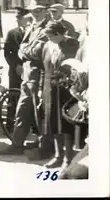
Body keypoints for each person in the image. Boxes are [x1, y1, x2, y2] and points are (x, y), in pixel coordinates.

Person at [0, 0, 52, 159]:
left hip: (38, 75)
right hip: (28, 74)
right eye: (34, 10)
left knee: (38, 112)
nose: (36, 13)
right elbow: (24, 50)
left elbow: (36, 51)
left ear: (45, 11)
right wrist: (25, 49)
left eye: (39, 10)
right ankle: (18, 144)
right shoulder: (33, 27)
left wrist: (24, 49)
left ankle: (43, 147)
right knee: (23, 110)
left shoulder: (47, 28)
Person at [41, 21, 79, 169]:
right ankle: (58, 155)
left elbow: (76, 66)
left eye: (51, 36)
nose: (49, 39)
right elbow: (44, 69)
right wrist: (41, 88)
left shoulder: (72, 44)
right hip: (51, 89)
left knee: (66, 123)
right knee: (53, 122)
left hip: (67, 89)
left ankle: (68, 159)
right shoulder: (47, 46)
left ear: (59, 34)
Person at [4, 7, 29, 89]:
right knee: (15, 96)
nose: (17, 20)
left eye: (20, 18)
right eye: (17, 18)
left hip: (30, 69)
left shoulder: (33, 32)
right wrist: (16, 65)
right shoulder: (12, 33)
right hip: (16, 71)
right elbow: (7, 53)